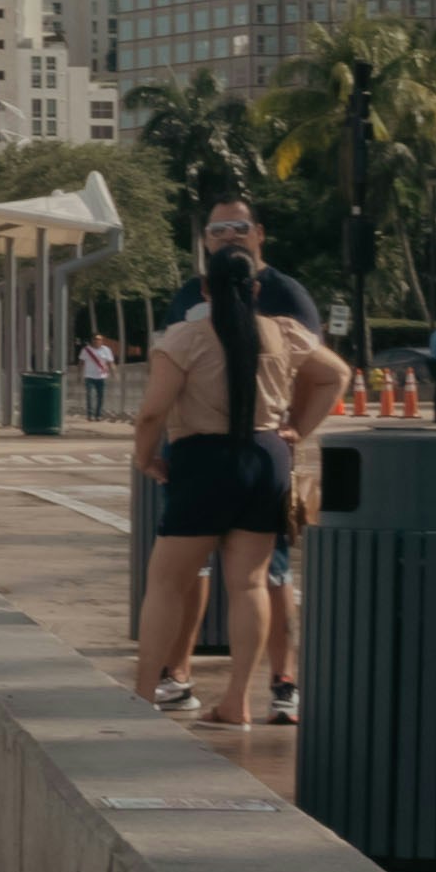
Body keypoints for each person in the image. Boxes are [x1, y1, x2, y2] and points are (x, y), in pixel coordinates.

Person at [133, 244, 350, 727]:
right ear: (255, 289)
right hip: (266, 457)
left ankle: (143, 695)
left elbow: (152, 411)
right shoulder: (283, 332)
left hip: (203, 460)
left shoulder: (185, 337)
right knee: (250, 583)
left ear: (205, 288)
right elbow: (337, 374)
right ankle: (237, 702)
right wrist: (297, 426)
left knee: (168, 582)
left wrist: (144, 459)